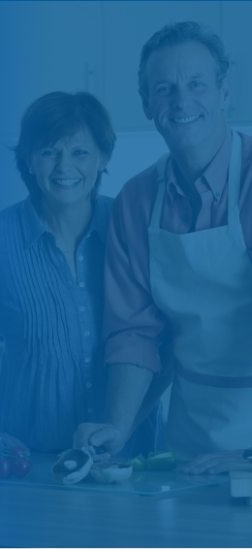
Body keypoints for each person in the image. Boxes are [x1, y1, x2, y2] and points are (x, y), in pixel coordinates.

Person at [0, 91, 160, 456]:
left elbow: (164, 335)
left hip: (131, 460)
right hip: (33, 462)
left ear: (103, 158)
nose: (64, 167)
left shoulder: (130, 227)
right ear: (29, 160)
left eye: (79, 152)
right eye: (49, 152)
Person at [75, 21, 252, 474]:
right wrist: (118, 424)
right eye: (164, 89)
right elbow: (135, 332)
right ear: (147, 103)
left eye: (196, 84)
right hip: (190, 440)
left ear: (224, 92)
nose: (181, 101)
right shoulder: (136, 202)